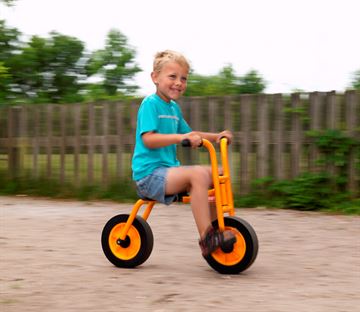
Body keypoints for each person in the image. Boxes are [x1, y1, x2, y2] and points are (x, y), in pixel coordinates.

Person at [132, 50, 235, 256]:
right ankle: (207, 237)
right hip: (149, 176)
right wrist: (181, 139)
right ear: (155, 77)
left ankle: (218, 229)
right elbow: (149, 139)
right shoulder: (150, 105)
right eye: (172, 77)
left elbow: (191, 133)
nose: (178, 82)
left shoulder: (173, 109)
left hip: (168, 172)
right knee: (197, 174)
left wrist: (216, 137)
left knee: (217, 172)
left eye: (183, 78)